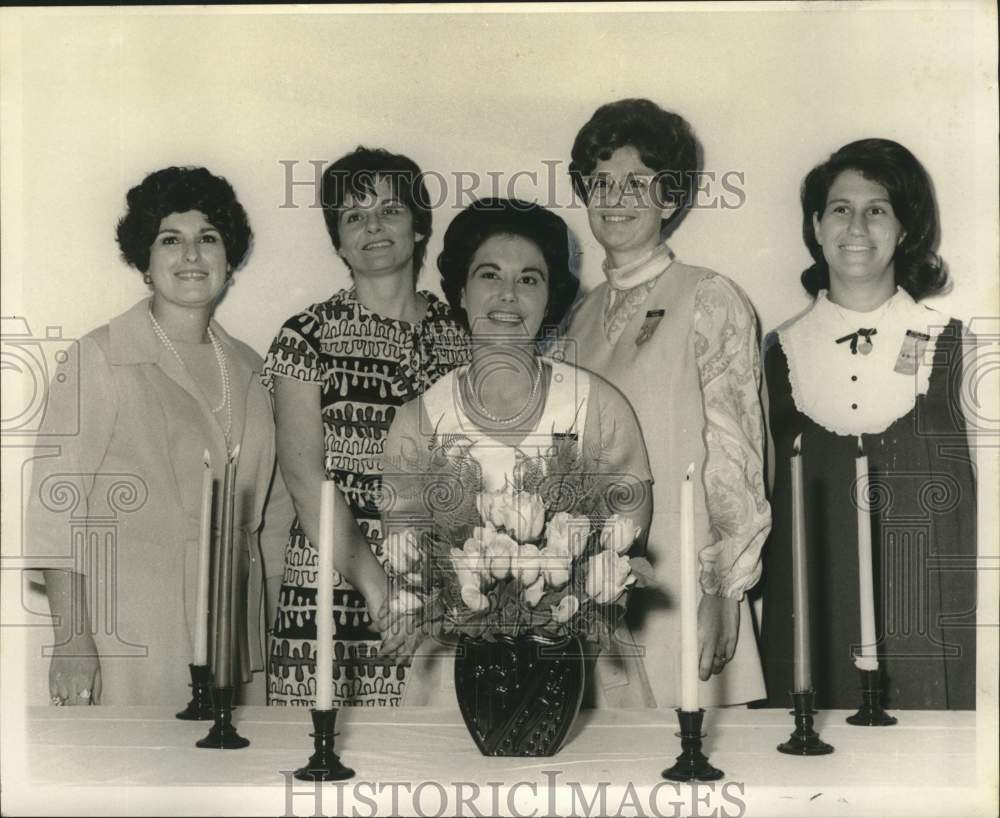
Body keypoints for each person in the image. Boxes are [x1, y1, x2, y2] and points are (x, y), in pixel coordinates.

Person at [26, 166, 289, 705]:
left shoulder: (253, 369)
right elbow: (56, 512)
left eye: (207, 239)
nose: (191, 255)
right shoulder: (100, 357)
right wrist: (72, 641)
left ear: (228, 260)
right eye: (171, 239)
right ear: (145, 262)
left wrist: (277, 637)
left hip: (237, 644)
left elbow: (275, 523)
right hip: (131, 639)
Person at [379, 198, 654, 707]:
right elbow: (408, 566)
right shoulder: (418, 422)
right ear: (460, 291)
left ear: (550, 299)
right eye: (489, 275)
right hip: (453, 677)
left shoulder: (596, 407)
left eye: (530, 279)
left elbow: (622, 559)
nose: (508, 295)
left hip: (578, 670)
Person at [561, 98, 771, 707]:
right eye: (601, 183)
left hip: (685, 578)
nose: (615, 199)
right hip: (590, 589)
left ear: (671, 198)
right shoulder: (576, 318)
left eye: (637, 183)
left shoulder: (711, 297)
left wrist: (724, 591)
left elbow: (737, 456)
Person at [758, 138, 977, 709]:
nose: (856, 225)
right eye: (840, 209)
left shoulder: (955, 342)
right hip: (813, 617)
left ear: (904, 229)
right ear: (816, 224)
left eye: (877, 209)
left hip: (931, 619)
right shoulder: (777, 352)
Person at [262, 146, 470, 707]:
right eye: (354, 216)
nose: (372, 226)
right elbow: (306, 480)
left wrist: (428, 589)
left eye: (390, 210)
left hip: (443, 586)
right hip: (332, 580)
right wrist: (380, 591)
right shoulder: (305, 337)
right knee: (325, 768)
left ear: (420, 227)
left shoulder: (465, 336)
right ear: (337, 241)